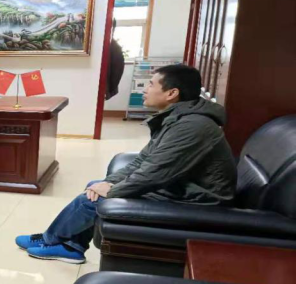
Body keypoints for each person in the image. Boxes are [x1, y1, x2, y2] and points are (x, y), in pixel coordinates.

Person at [18, 64, 236, 263]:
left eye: (151, 85)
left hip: (198, 198)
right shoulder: (179, 118)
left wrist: (113, 190)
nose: (145, 90)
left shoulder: (192, 126)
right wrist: (109, 182)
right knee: (95, 186)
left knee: (93, 200)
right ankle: (69, 246)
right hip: (183, 186)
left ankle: (52, 240)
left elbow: (155, 173)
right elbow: (143, 160)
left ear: (172, 93)